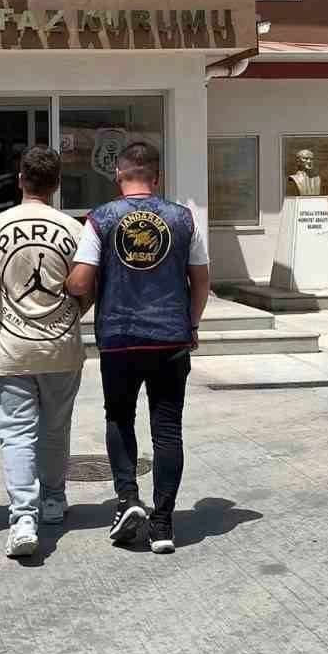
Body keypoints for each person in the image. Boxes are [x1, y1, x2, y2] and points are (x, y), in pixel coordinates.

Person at [65, 141, 211, 555]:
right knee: (167, 430)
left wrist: (70, 286)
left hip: (119, 338)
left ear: (118, 176)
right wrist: (192, 324)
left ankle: (128, 498)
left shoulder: (101, 219)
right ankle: (163, 524)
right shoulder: (184, 219)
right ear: (156, 178)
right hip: (170, 336)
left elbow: (80, 281)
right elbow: (201, 281)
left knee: (119, 418)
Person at [0, 146, 86, 559]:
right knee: (56, 429)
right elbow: (85, 287)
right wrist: (72, 316)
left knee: (16, 434)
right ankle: (54, 500)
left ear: (21, 180)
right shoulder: (74, 230)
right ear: (56, 184)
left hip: (10, 347)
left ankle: (23, 519)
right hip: (61, 346)